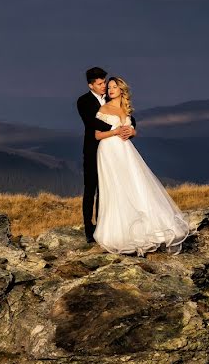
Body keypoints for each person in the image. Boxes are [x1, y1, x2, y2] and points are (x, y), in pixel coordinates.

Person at [93, 76, 190, 256]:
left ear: (121, 89)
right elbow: (97, 135)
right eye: (109, 87)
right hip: (109, 150)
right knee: (117, 186)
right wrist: (116, 131)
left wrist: (132, 131)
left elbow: (131, 130)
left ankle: (151, 226)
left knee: (136, 182)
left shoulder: (125, 110)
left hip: (126, 150)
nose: (110, 90)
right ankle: (119, 231)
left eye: (114, 87)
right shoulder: (104, 109)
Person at [76, 67, 134, 243]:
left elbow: (127, 113)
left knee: (107, 189)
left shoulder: (110, 98)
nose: (104, 86)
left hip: (114, 152)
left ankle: (103, 225)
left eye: (104, 83)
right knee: (90, 188)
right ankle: (88, 227)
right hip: (94, 150)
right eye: (100, 84)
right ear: (90, 85)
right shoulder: (83, 101)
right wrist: (115, 130)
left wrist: (130, 129)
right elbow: (91, 122)